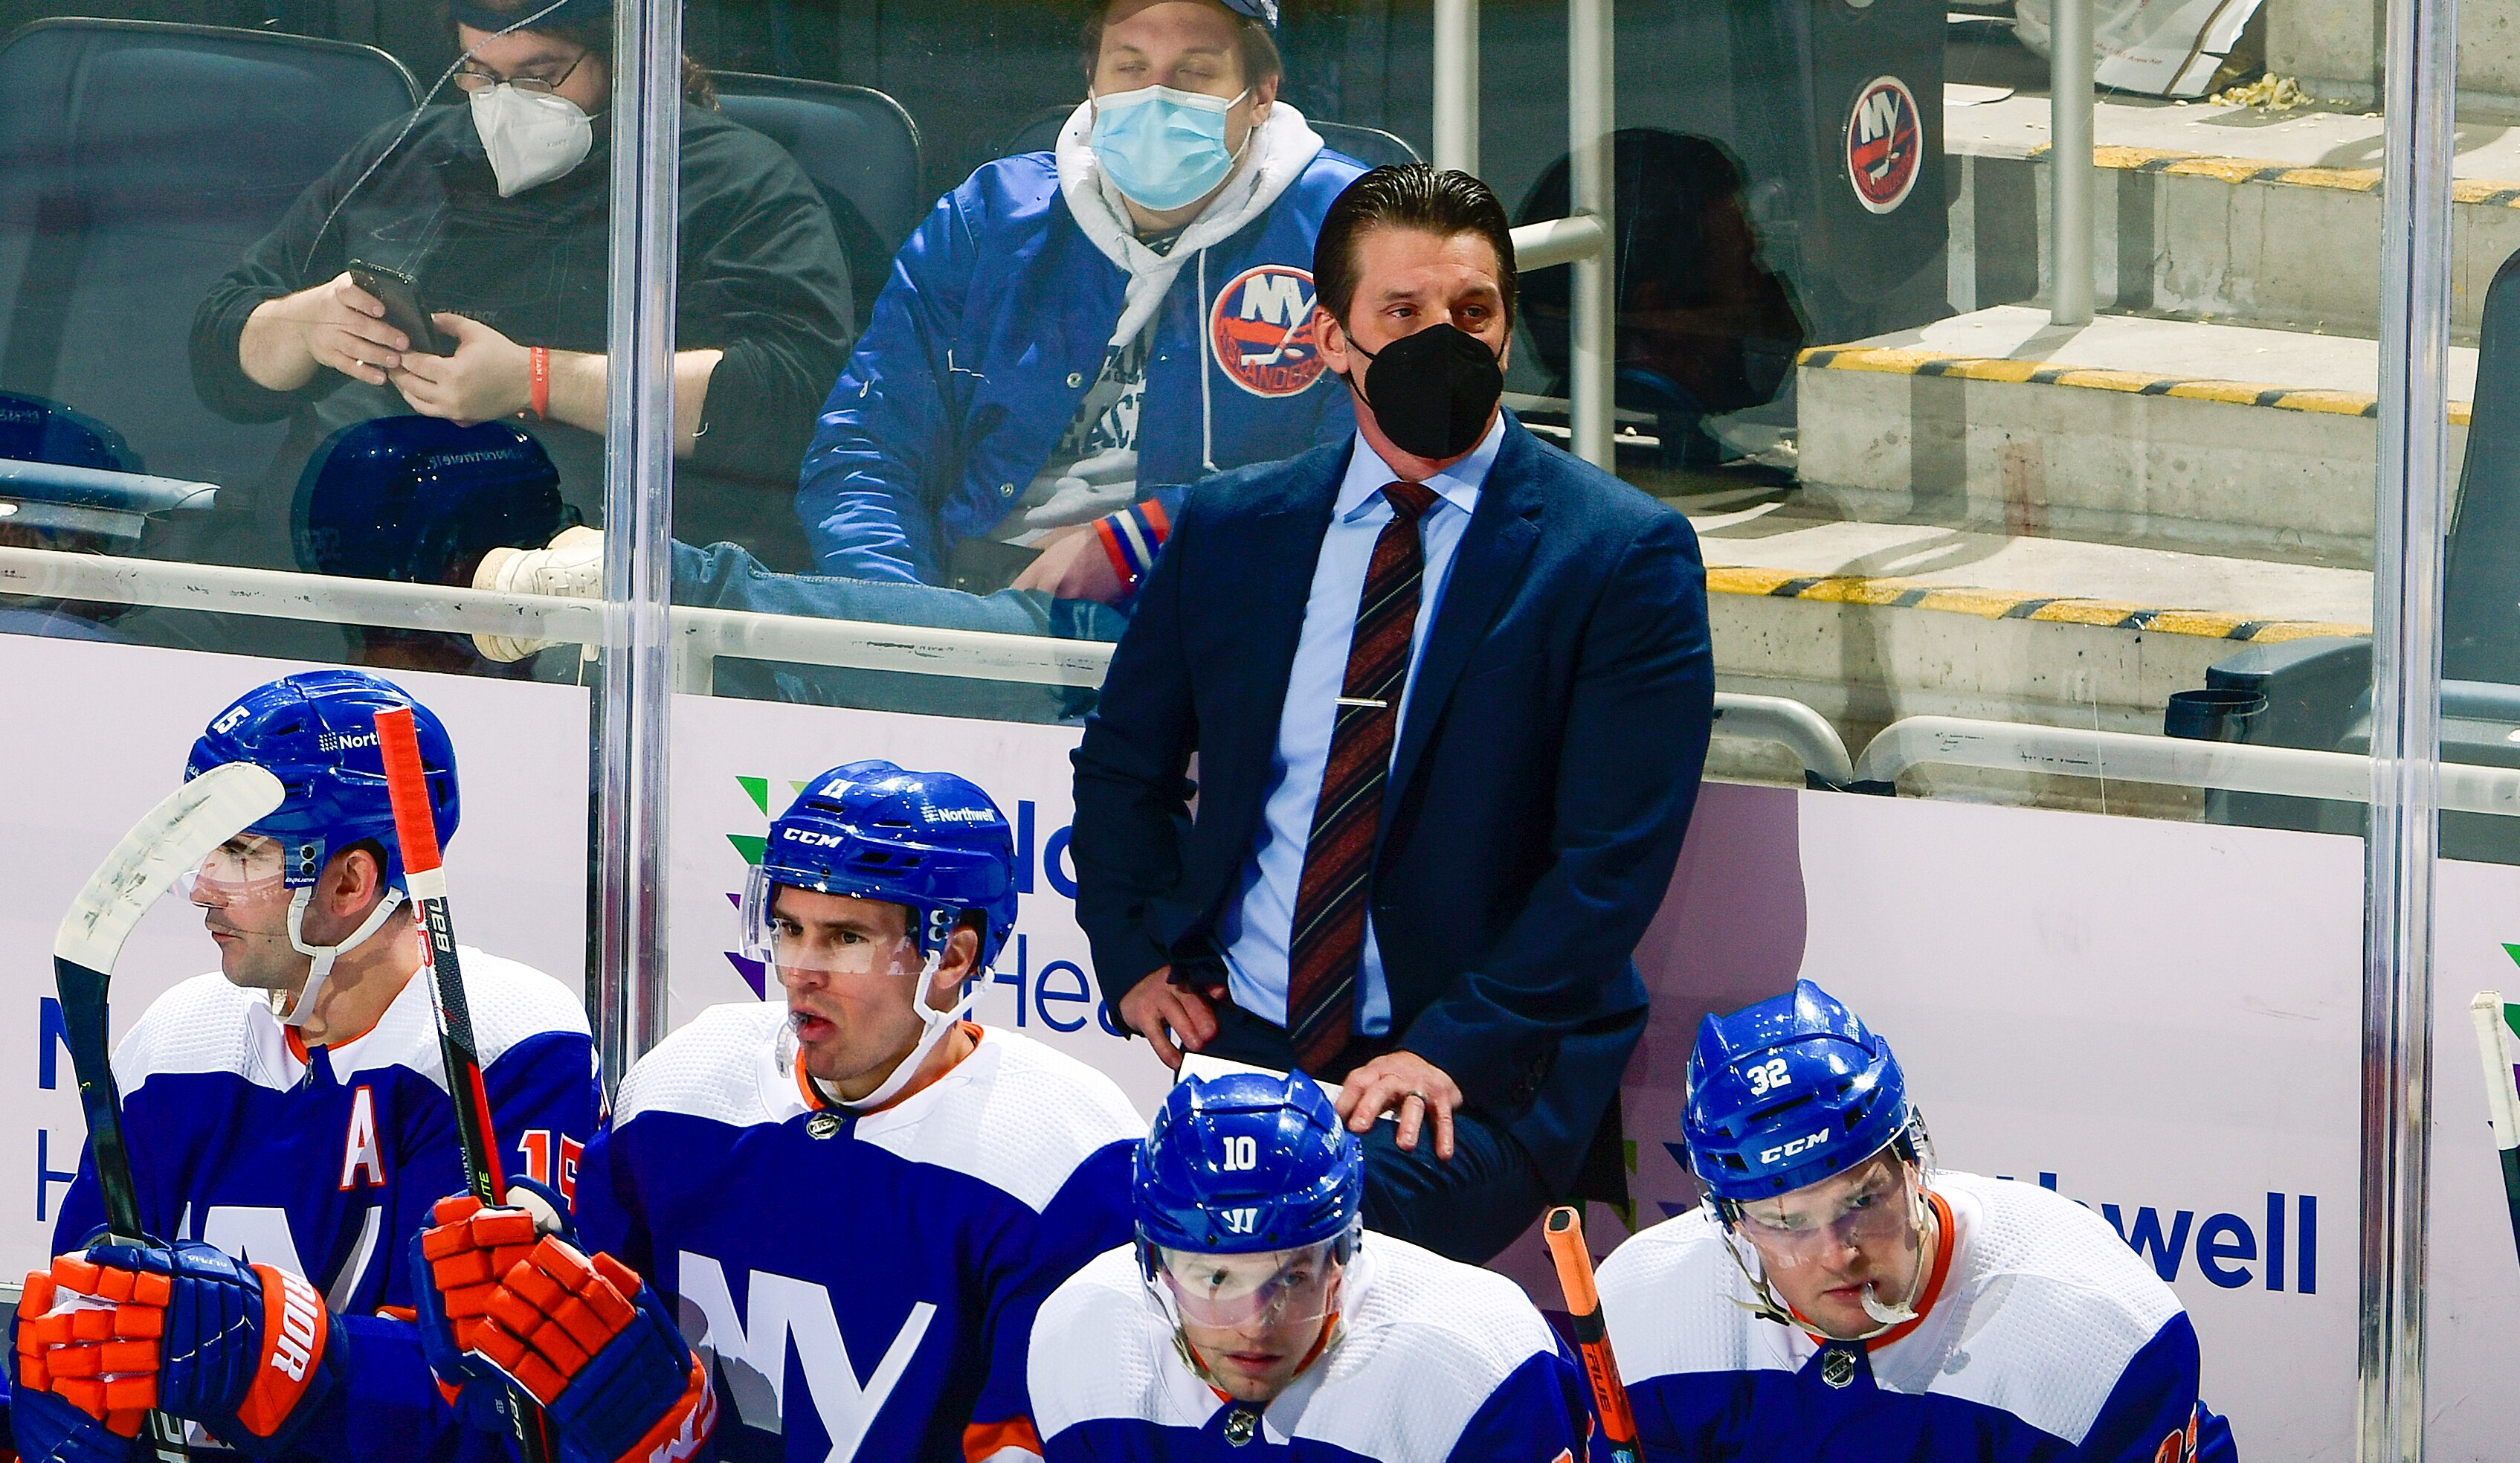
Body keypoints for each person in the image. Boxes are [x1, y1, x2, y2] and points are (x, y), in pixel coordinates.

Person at [1069, 164, 1714, 1264]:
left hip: (1470, 1069)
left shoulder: (1617, 554)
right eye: (1403, 313)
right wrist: (1130, 950)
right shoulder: (1233, 530)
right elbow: (1124, 764)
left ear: (1509, 327)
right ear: (1332, 339)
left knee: (1290, 1247)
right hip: (1247, 1042)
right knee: (1095, 1235)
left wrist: (1445, 1050)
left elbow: (1609, 863)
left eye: (1473, 311)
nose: (1444, 339)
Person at [407, 762, 1144, 1463]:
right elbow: (568, 1380)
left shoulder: (1062, 1154)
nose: (799, 970)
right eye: (788, 928)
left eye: (844, 938)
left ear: (951, 956)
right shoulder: (687, 1085)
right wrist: (499, 1317)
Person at [7, 670, 603, 1463]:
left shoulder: (506, 1041)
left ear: (353, 881)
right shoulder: (178, 1036)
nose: (202, 889)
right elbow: (86, 1312)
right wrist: (68, 1458)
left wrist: (264, 1349)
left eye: (241, 853)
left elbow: (484, 1425)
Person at [1578, 983, 2300, 1463]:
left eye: (1861, 1198)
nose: (1836, 1251)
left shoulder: (2088, 1330)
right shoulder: (1651, 1315)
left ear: (1914, 1160)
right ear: (1729, 1223)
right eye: (1785, 1220)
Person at [190, 0, 852, 573]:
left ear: (620, 57)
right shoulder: (400, 158)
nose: (504, 101)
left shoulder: (728, 180)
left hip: (570, 605)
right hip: (318, 572)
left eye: (538, 75)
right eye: (479, 71)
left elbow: (793, 399)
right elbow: (221, 352)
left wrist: (537, 381)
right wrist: (305, 323)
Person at [1017, 1067, 1588, 1463]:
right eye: (1215, 1278)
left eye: (1291, 1275)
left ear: (1345, 1251)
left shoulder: (1471, 1364)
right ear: (1151, 1263)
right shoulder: (1085, 1329)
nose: (1254, 1326)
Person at [793, 0, 1361, 602]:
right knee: (710, 613)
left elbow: (1371, 476)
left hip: (1205, 610)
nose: (1156, 96)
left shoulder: (1352, 231)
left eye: (1193, 73)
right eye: (1129, 68)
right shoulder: (990, 216)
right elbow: (865, 449)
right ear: (1091, 86)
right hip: (968, 602)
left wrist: (1151, 539)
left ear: (1260, 95)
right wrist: (898, 620)